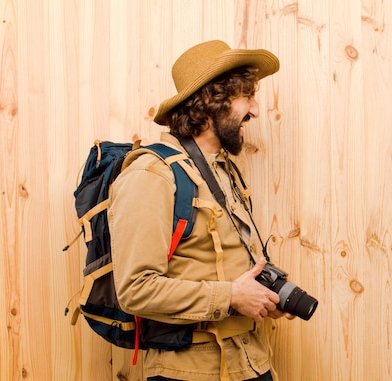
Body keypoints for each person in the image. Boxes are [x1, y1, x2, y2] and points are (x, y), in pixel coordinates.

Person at [108, 40, 292, 381]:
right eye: (246, 96)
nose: (254, 110)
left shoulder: (222, 171)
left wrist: (266, 295)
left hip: (249, 362)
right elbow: (135, 289)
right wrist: (233, 296)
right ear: (209, 98)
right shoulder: (152, 174)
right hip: (189, 372)